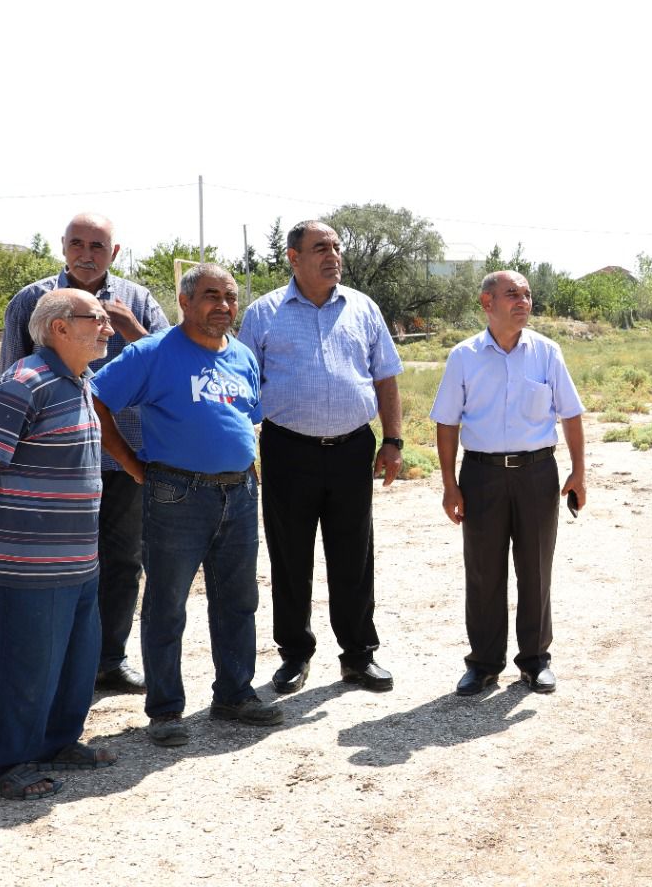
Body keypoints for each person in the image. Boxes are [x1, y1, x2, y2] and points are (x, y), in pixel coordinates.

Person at [93, 264, 282, 747]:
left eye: (230, 297)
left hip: (239, 493)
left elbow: (246, 417)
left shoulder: (242, 355)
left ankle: (234, 694)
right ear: (185, 301)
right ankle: (165, 711)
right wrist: (131, 463)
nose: (223, 305)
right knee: (166, 604)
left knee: (238, 600)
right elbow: (96, 399)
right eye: (211, 295)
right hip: (175, 494)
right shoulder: (152, 352)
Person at [0, 289, 118, 799]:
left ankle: (55, 743)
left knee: (74, 662)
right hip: (30, 561)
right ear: (60, 327)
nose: (108, 327)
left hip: (79, 559)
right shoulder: (25, 381)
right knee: (24, 668)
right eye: (97, 318)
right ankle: (2, 766)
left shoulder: (79, 380)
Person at [0, 212, 170, 694]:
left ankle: (108, 660)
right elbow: (11, 377)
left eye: (97, 246)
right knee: (56, 566)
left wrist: (132, 328)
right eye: (77, 244)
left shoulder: (137, 300)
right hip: (54, 461)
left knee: (122, 560)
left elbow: (170, 362)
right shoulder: (32, 301)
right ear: (63, 246)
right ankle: (57, 665)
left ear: (114, 253)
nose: (86, 254)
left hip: (124, 457)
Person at [236, 220, 405, 695]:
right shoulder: (263, 313)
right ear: (293, 257)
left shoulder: (363, 308)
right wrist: (244, 450)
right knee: (290, 557)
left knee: (354, 555)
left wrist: (393, 440)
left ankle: (359, 655)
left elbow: (385, 377)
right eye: (320, 248)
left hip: (353, 449)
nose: (333, 255)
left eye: (335, 247)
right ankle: (295, 654)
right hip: (287, 450)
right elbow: (242, 385)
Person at [431, 271, 586, 696]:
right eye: (512, 294)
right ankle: (483, 663)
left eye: (527, 295)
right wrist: (449, 484)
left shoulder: (547, 353)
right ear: (487, 303)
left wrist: (579, 470)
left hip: (537, 473)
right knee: (483, 571)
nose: (523, 301)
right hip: (481, 475)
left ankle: (535, 660)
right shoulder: (464, 356)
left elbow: (571, 413)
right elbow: (446, 423)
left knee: (536, 568)